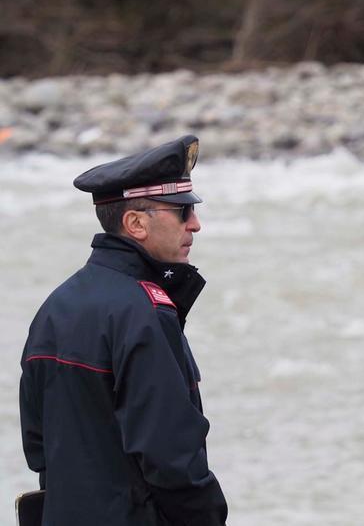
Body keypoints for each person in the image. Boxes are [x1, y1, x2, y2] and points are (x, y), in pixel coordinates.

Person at [19, 135, 228, 526]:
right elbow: (172, 459)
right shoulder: (145, 313)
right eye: (182, 212)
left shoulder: (55, 306)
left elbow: (38, 447)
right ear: (135, 223)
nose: (195, 224)